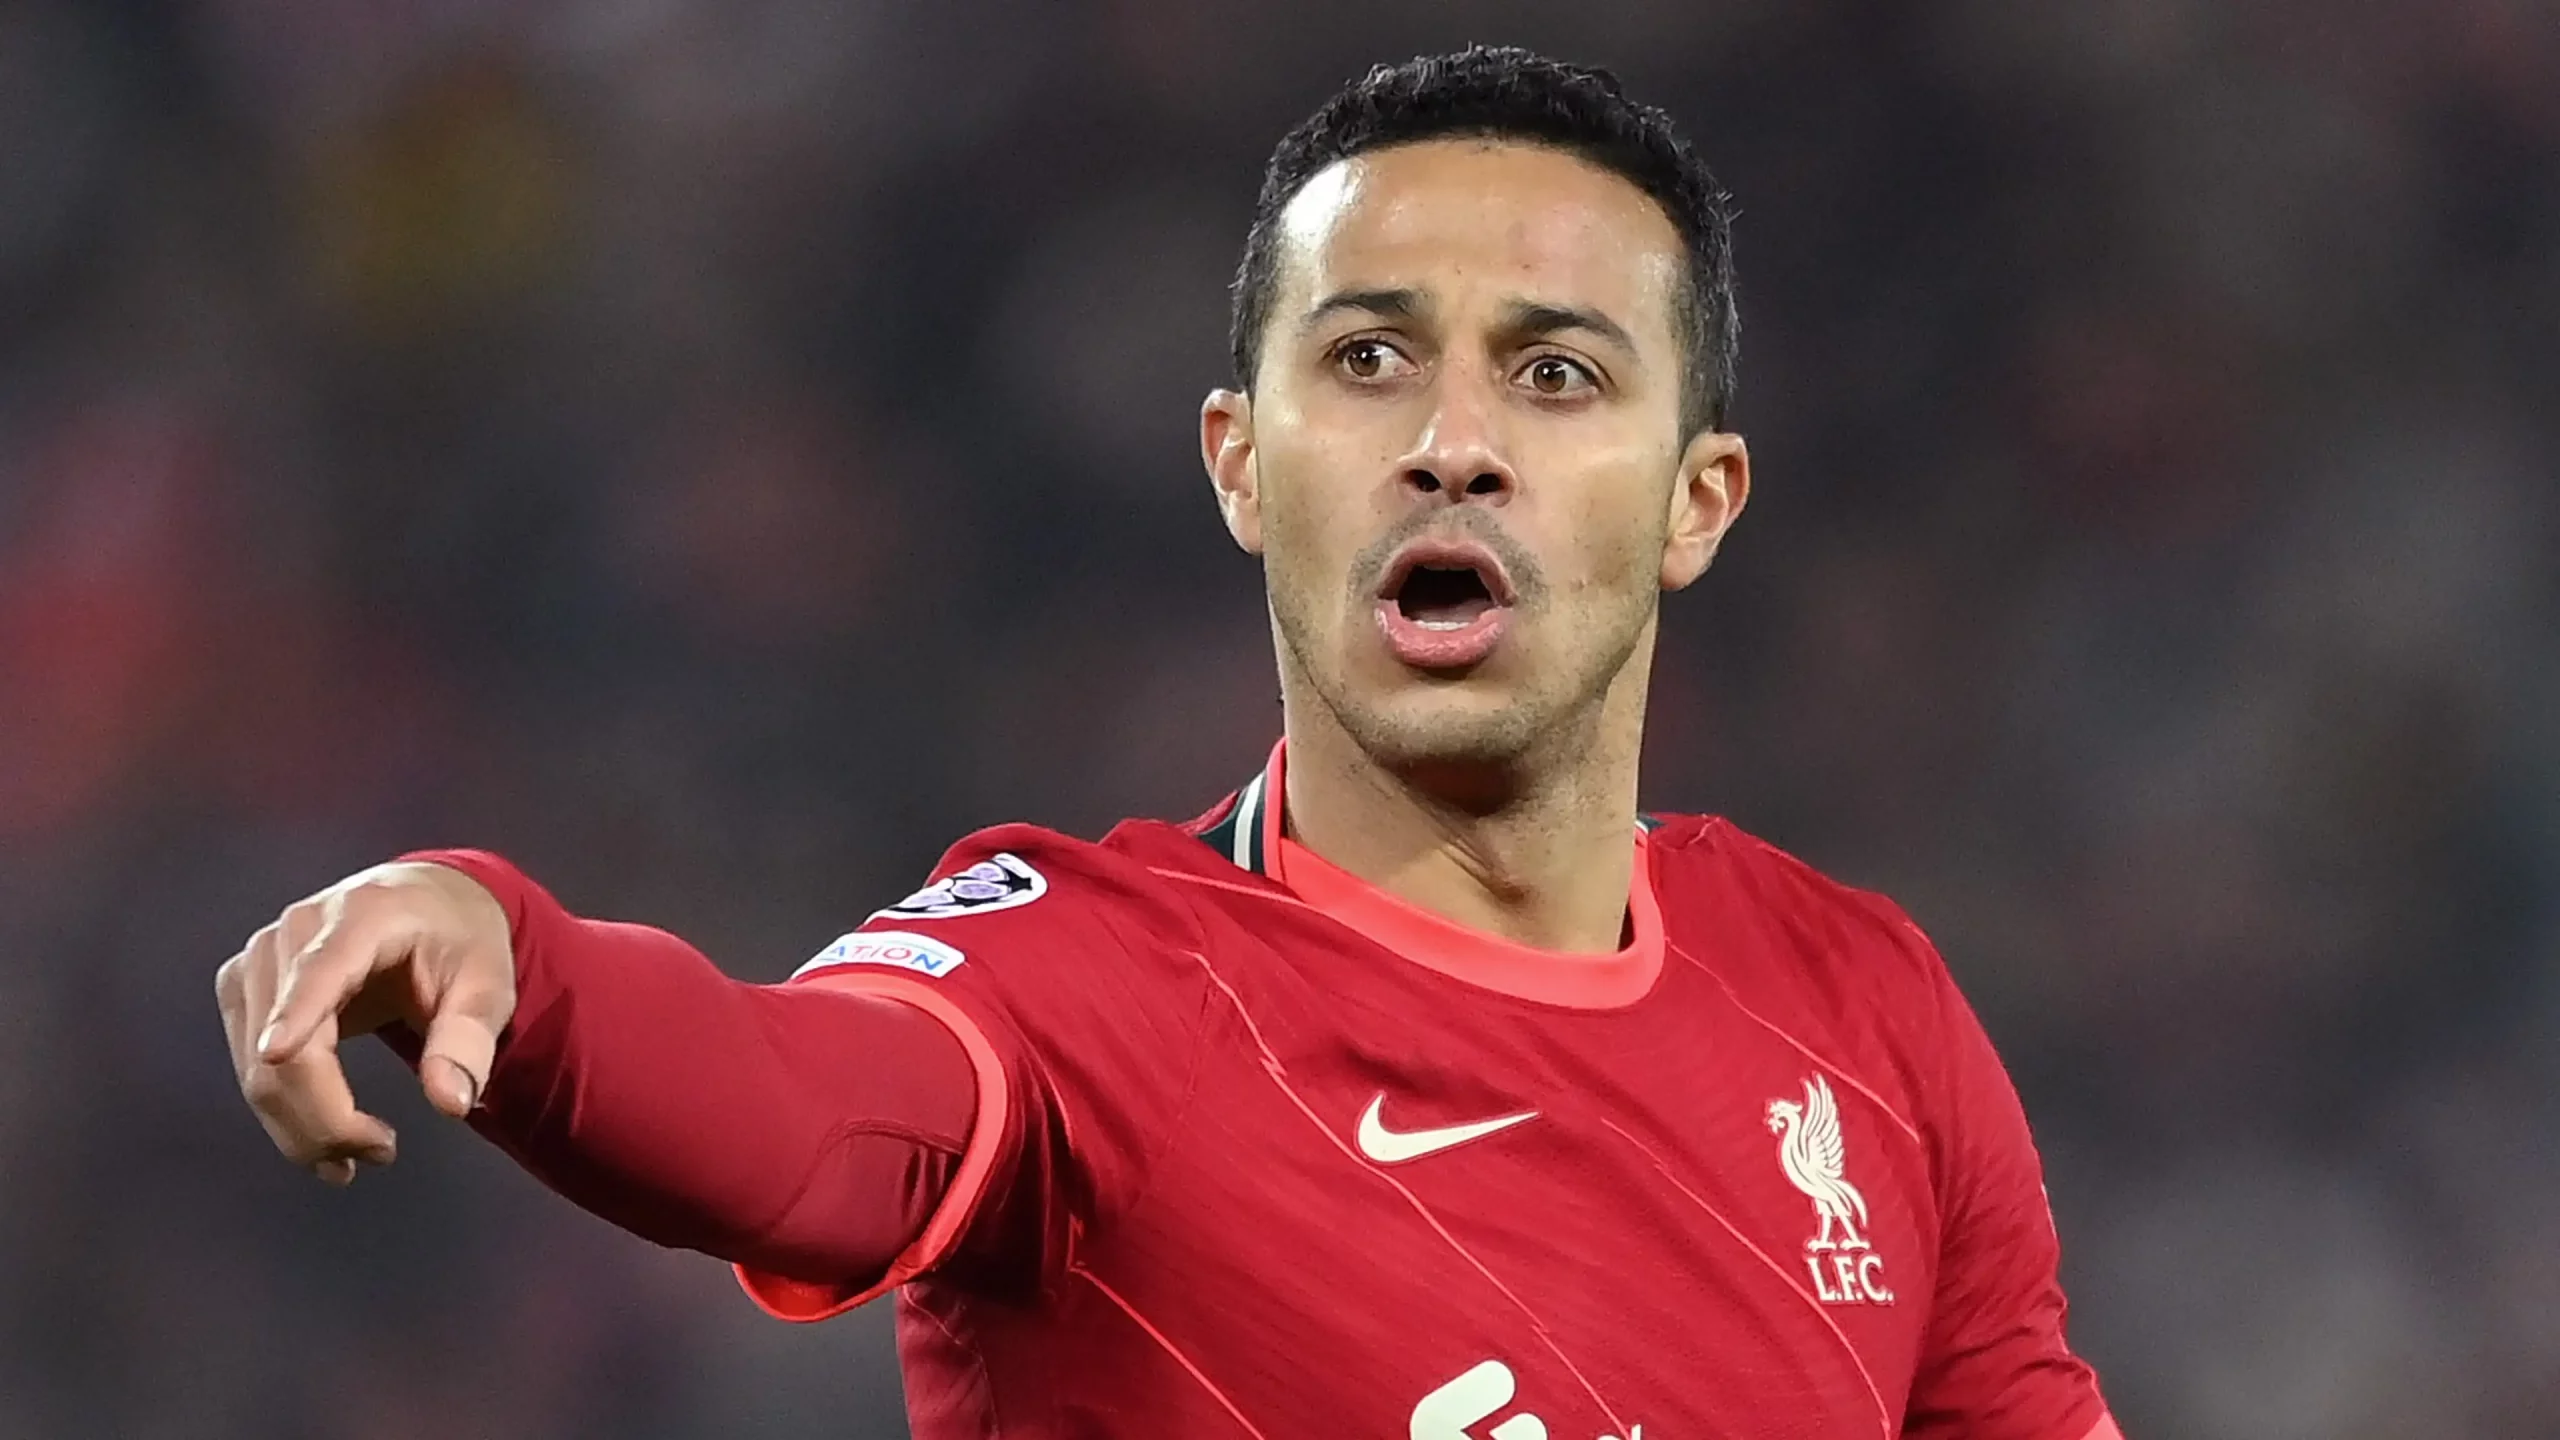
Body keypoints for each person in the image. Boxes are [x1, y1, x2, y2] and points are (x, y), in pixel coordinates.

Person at [215, 46, 2123, 1440]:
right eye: (1367, 359)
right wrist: (515, 956)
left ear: (1698, 501)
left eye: (1556, 373)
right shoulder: (1092, 986)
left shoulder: (1864, 1017)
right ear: (1241, 464)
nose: (1452, 443)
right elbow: (795, 1116)